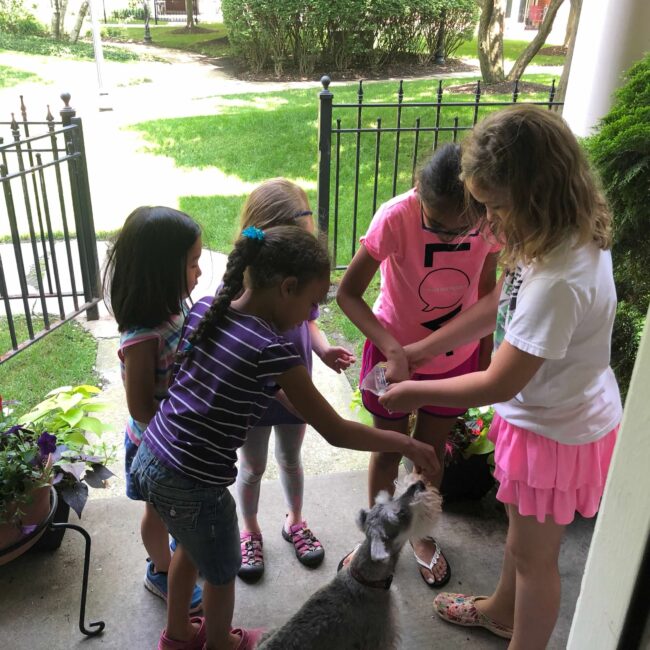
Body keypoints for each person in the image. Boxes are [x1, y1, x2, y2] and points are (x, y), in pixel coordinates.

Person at [378, 105, 622, 650]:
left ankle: (521, 636)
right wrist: (422, 349)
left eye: (495, 207)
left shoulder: (560, 279)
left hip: (556, 432)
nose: (488, 223)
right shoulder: (552, 235)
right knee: (520, 539)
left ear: (536, 193)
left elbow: (495, 383)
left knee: (536, 561)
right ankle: (500, 612)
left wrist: (411, 390)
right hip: (540, 416)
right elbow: (499, 304)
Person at [129, 225, 441, 650]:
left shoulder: (206, 309)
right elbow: (334, 431)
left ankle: (178, 636)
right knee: (221, 571)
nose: (311, 315)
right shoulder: (273, 350)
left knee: (189, 545)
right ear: (287, 288)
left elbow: (245, 384)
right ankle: (221, 643)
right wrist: (405, 443)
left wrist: (300, 402)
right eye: (312, 304)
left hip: (152, 457)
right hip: (195, 483)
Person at [336, 143, 501, 587]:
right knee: (387, 449)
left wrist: (482, 354)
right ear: (417, 192)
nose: (449, 237)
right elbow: (347, 294)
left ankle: (419, 535)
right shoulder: (396, 216)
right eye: (437, 227)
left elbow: (487, 294)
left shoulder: (488, 218)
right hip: (393, 361)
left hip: (456, 362)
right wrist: (392, 348)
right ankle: (378, 534)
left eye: (458, 230)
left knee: (430, 456)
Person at [234, 179, 355, 582]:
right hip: (256, 399)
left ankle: (295, 521)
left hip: (297, 390)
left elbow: (311, 321)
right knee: (251, 466)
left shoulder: (299, 280)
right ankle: (249, 529)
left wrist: (322, 351)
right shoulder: (244, 287)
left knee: (290, 459)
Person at [102, 206, 204, 614]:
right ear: (161, 271)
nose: (199, 273)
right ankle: (161, 569)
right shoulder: (142, 337)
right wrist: (180, 420)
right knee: (156, 513)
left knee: (176, 513)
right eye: (193, 263)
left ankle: (175, 554)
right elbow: (140, 405)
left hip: (179, 436)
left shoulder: (172, 309)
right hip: (157, 446)